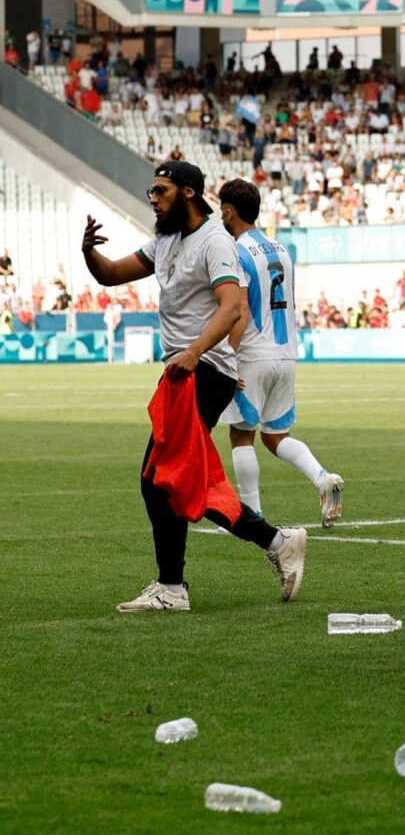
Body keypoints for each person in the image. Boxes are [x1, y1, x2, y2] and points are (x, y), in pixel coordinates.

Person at [82, 161, 307, 612]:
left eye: (160, 189)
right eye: (150, 190)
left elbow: (232, 307)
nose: (152, 197)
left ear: (188, 192)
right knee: (172, 479)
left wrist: (194, 351)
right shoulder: (165, 242)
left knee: (159, 478)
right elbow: (110, 274)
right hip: (185, 371)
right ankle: (277, 541)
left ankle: (174, 587)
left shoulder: (216, 241)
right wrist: (89, 251)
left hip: (203, 372)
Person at [215, 179, 344, 526]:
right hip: (287, 354)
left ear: (229, 211)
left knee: (241, 435)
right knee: (275, 437)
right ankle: (322, 478)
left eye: (221, 210)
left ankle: (252, 515)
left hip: (254, 354)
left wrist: (229, 357)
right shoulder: (283, 250)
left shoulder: (236, 252)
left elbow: (240, 308)